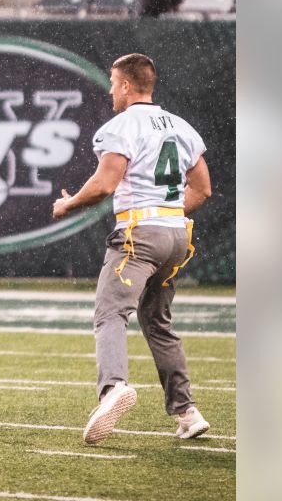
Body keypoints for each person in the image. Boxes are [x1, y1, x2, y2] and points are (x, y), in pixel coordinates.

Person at [52, 53, 213, 445]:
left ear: (126, 85)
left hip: (139, 234)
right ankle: (187, 412)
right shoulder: (181, 126)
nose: (110, 90)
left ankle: (113, 389)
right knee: (158, 324)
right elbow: (203, 189)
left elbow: (106, 184)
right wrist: (166, 214)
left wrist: (69, 203)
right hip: (177, 236)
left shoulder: (120, 127)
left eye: (112, 82)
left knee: (110, 313)